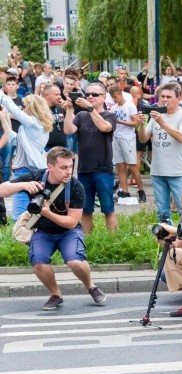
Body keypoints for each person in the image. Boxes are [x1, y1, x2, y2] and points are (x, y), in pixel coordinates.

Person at [0, 147, 107, 310]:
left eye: (70, 167)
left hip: (68, 232)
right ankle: (56, 294)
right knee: (39, 263)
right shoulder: (36, 177)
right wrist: (24, 184)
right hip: (42, 231)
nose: (68, 172)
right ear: (50, 167)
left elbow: (72, 222)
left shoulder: (76, 186)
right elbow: (2, 190)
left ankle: (91, 286)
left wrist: (47, 213)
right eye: (63, 168)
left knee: (75, 262)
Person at [62, 81, 118, 233]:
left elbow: (105, 127)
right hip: (83, 169)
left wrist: (90, 108)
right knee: (85, 210)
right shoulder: (81, 115)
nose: (90, 96)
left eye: (95, 94)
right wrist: (68, 109)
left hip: (103, 169)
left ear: (104, 97)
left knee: (108, 208)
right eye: (88, 94)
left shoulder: (110, 115)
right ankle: (87, 240)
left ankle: (114, 241)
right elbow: (68, 130)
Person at [136, 83, 182, 223]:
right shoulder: (156, 116)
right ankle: (165, 241)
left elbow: (181, 137)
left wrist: (162, 123)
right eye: (162, 96)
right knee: (162, 211)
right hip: (157, 171)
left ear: (178, 98)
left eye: (169, 96)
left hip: (177, 172)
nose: (165, 100)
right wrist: (142, 125)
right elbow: (143, 139)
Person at [0, 92, 52, 220]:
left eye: (25, 106)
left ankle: (20, 238)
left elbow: (15, 110)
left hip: (26, 169)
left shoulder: (34, 123)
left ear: (32, 107)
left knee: (19, 215)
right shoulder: (33, 126)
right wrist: (4, 118)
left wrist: (2, 96)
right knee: (28, 213)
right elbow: (14, 140)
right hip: (26, 169)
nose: (23, 108)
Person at [107, 84, 144, 203]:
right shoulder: (114, 108)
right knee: (120, 166)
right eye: (112, 97)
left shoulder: (130, 106)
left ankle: (141, 190)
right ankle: (125, 190)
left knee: (132, 166)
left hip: (127, 137)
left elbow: (135, 123)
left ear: (120, 94)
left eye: (115, 96)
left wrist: (120, 122)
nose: (114, 99)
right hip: (117, 137)